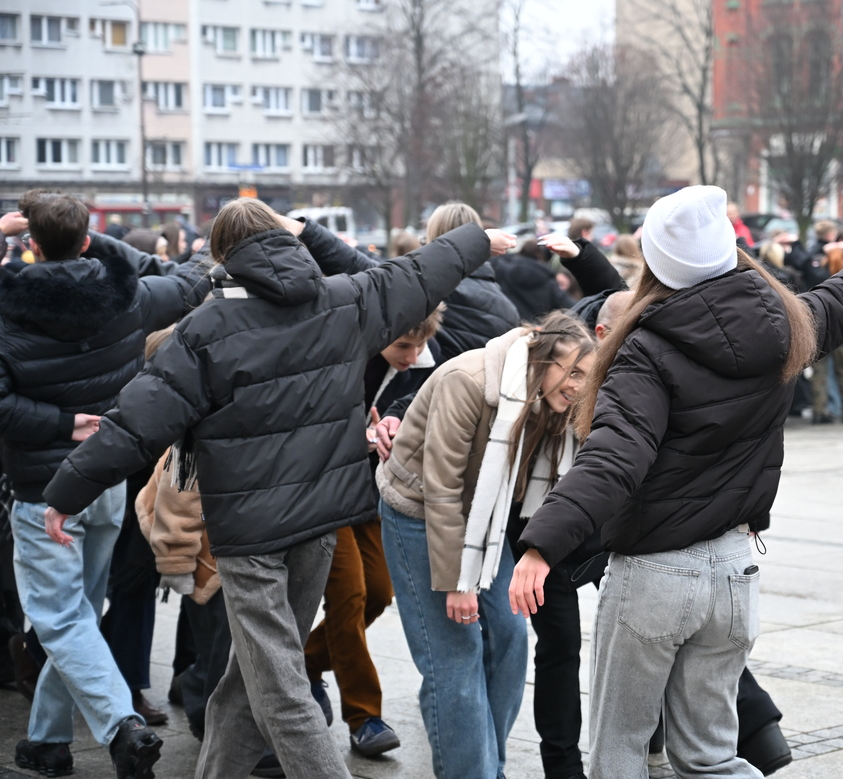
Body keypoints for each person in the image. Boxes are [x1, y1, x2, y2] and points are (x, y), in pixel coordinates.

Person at [40, 197, 513, 779]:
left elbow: (137, 424)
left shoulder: (205, 329)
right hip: (319, 525)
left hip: (251, 537)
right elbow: (413, 274)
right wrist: (474, 242)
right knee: (248, 685)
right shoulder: (344, 301)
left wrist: (65, 492)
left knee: (281, 690)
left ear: (222, 255)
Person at [510, 185, 843, 778]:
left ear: (654, 264)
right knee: (709, 760)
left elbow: (614, 457)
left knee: (618, 754)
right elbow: (840, 299)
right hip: (736, 571)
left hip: (656, 573)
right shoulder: (785, 321)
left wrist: (540, 544)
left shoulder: (645, 347)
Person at [1, 190, 210, 779]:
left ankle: (122, 727)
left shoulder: (6, 306)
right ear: (90, 239)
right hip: (105, 479)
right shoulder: (132, 296)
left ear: (30, 245)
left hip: (44, 492)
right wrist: (93, 241)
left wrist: (7, 231)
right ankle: (46, 741)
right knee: (79, 614)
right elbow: (188, 277)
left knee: (64, 619)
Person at [374, 310, 596, 779]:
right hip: (419, 513)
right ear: (540, 354)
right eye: (572, 371)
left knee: (511, 638)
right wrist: (459, 580)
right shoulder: (468, 379)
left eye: (585, 376)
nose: (577, 386)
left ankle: (485, 765)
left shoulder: (549, 402)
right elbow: (442, 489)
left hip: (487, 521)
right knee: (455, 659)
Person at [303, 306, 448, 759]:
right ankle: (364, 717)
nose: (413, 354)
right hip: (325, 493)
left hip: (372, 493)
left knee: (380, 593)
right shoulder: (346, 356)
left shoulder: (427, 361)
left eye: (420, 344)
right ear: (379, 336)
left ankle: (301, 665)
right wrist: (359, 433)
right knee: (348, 595)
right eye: (403, 345)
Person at [805, 225, 843, 423]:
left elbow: (804, 261)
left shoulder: (815, 266)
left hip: (818, 327)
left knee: (819, 373)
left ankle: (820, 411)